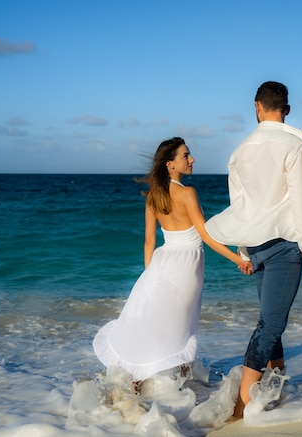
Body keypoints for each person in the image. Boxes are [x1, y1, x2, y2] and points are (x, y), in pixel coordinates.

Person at [205, 81, 302, 417]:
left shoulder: (240, 149)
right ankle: (244, 403)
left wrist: (243, 252)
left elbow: (239, 205)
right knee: (271, 324)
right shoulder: (294, 145)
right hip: (285, 246)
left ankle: (277, 383)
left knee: (271, 320)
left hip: (255, 247)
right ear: (286, 109)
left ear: (257, 106)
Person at [93, 137, 251, 386]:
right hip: (186, 267)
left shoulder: (153, 197)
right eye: (186, 156)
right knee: (182, 327)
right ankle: (185, 388)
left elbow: (148, 242)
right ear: (170, 164)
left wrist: (149, 277)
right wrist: (237, 258)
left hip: (161, 265)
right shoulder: (188, 193)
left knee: (155, 322)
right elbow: (205, 235)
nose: (192, 159)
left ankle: (137, 384)